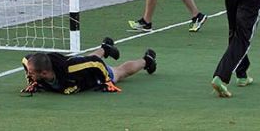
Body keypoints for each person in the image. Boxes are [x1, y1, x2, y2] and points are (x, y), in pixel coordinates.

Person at [20, 37, 157, 95]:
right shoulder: (35, 65)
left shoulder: (69, 70)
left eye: (31, 73)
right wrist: (32, 82)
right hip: (78, 63)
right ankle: (106, 48)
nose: (28, 74)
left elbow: (95, 62)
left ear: (44, 73)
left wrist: (107, 81)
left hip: (92, 73)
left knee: (119, 72)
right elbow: (25, 60)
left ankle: (147, 60)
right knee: (84, 60)